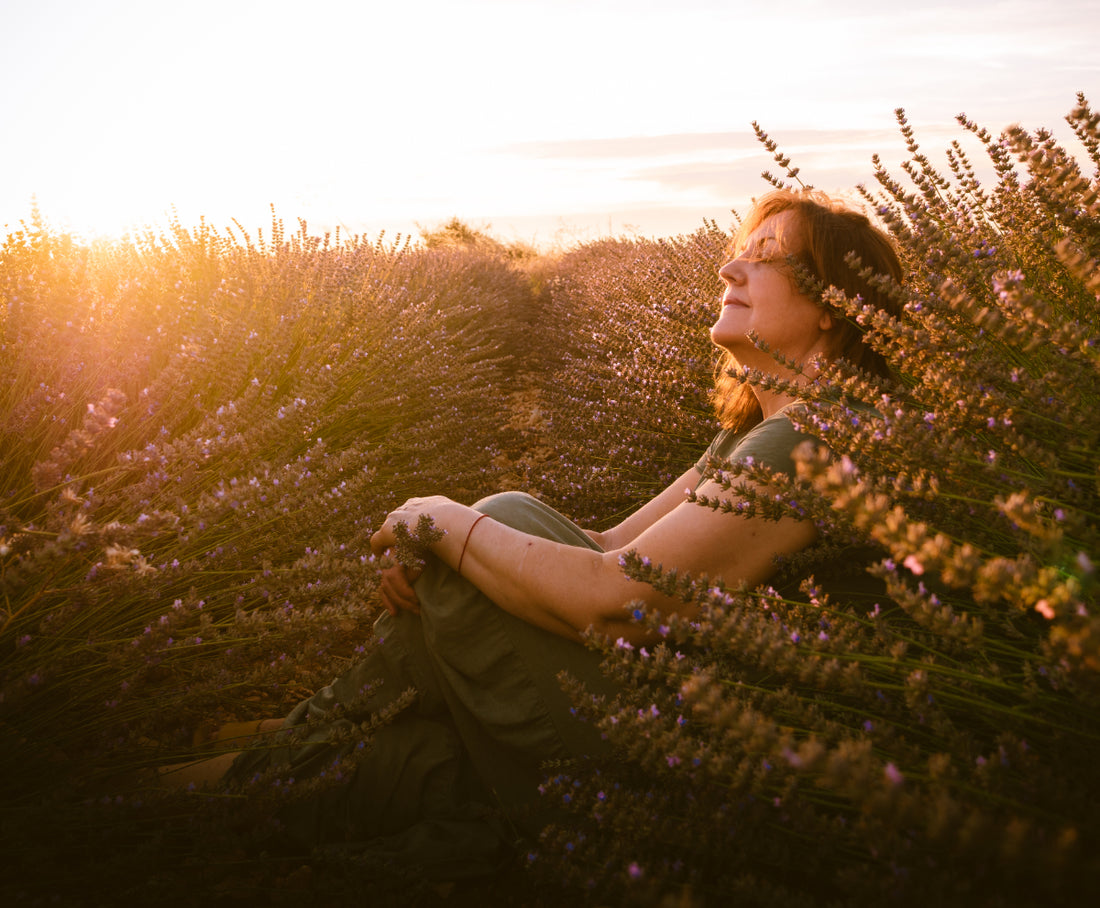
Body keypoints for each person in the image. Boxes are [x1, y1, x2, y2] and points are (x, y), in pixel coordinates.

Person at [164, 189, 904, 883]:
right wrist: (459, 550)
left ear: (835, 305)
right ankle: (264, 771)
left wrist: (445, 524)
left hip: (709, 784)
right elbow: (604, 540)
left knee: (492, 531)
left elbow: (620, 601)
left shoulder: (816, 437)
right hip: (668, 733)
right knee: (439, 711)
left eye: (767, 255)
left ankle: (266, 758)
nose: (728, 265)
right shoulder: (762, 429)